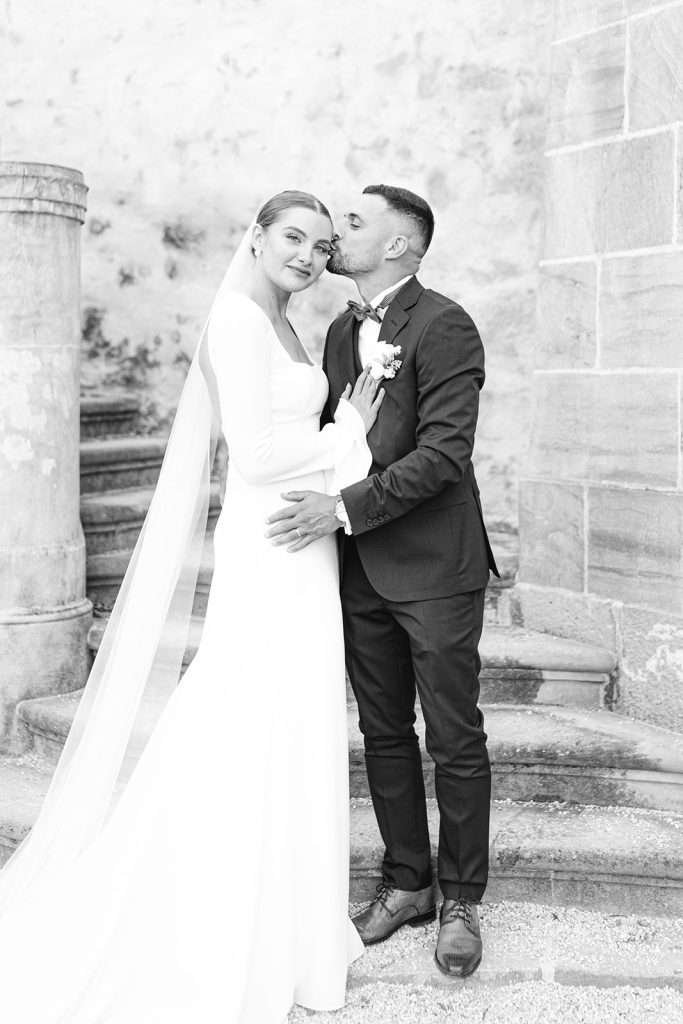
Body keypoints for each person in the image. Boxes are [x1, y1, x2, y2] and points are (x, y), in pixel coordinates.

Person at [0, 191, 382, 1022]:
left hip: (302, 541)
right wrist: (349, 423)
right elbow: (254, 454)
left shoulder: (285, 321)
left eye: (322, 246)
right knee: (247, 707)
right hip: (271, 538)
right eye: (293, 237)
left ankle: (286, 917)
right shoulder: (240, 323)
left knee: (294, 713)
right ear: (254, 235)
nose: (309, 256)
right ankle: (218, 919)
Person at [265, 184, 499, 979]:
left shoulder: (444, 324)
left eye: (355, 223)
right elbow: (340, 439)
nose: (338, 232)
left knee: (453, 735)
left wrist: (342, 508)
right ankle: (408, 883)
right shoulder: (339, 329)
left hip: (434, 567)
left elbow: (442, 456)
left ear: (400, 245)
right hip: (360, 568)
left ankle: (463, 896)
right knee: (384, 732)